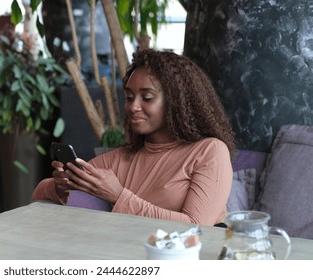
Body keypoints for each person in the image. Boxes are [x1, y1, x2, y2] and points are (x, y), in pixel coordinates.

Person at [32, 48, 235, 226]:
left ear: (177, 102)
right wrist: (59, 188)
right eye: (129, 97)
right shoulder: (119, 159)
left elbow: (198, 227)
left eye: (147, 98)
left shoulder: (209, 151)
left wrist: (118, 196)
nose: (133, 106)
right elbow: (39, 192)